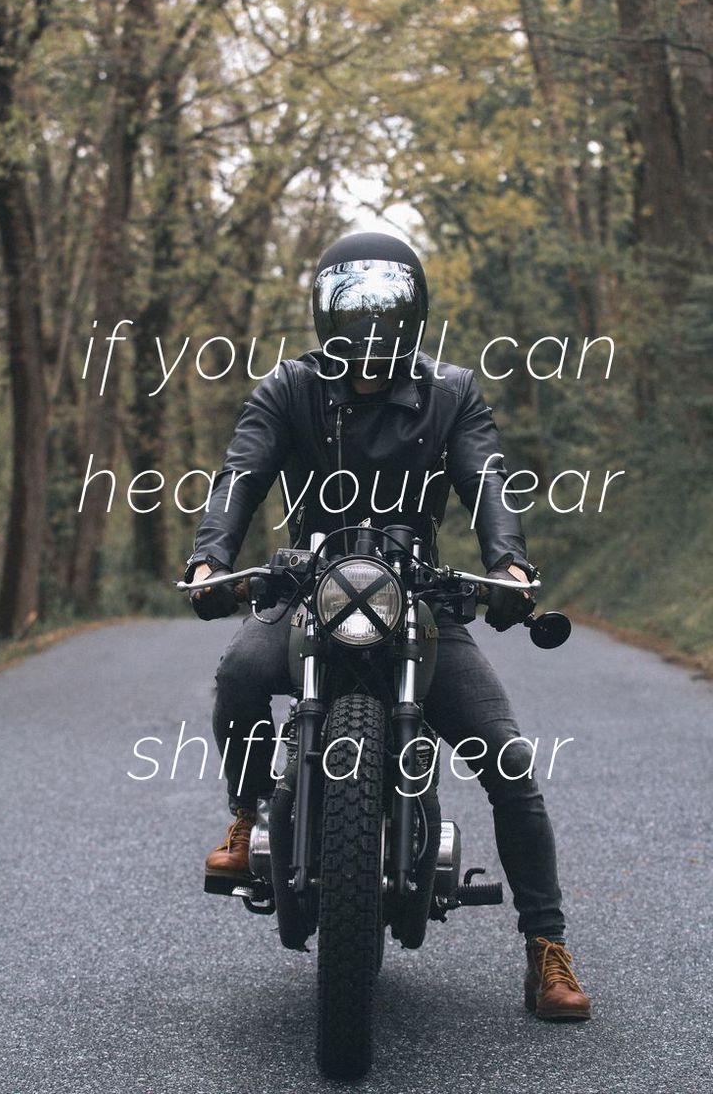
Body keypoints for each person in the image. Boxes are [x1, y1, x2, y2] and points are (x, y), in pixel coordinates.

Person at [185, 231, 591, 1021]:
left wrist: (509, 567)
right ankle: (247, 812)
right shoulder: (287, 389)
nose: (368, 337)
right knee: (238, 677)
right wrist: (211, 562)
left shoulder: (452, 392)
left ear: (413, 318)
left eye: (385, 318)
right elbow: (240, 473)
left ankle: (547, 947)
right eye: (352, 318)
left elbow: (487, 481)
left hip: (422, 598)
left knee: (506, 759)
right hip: (310, 587)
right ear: (325, 317)